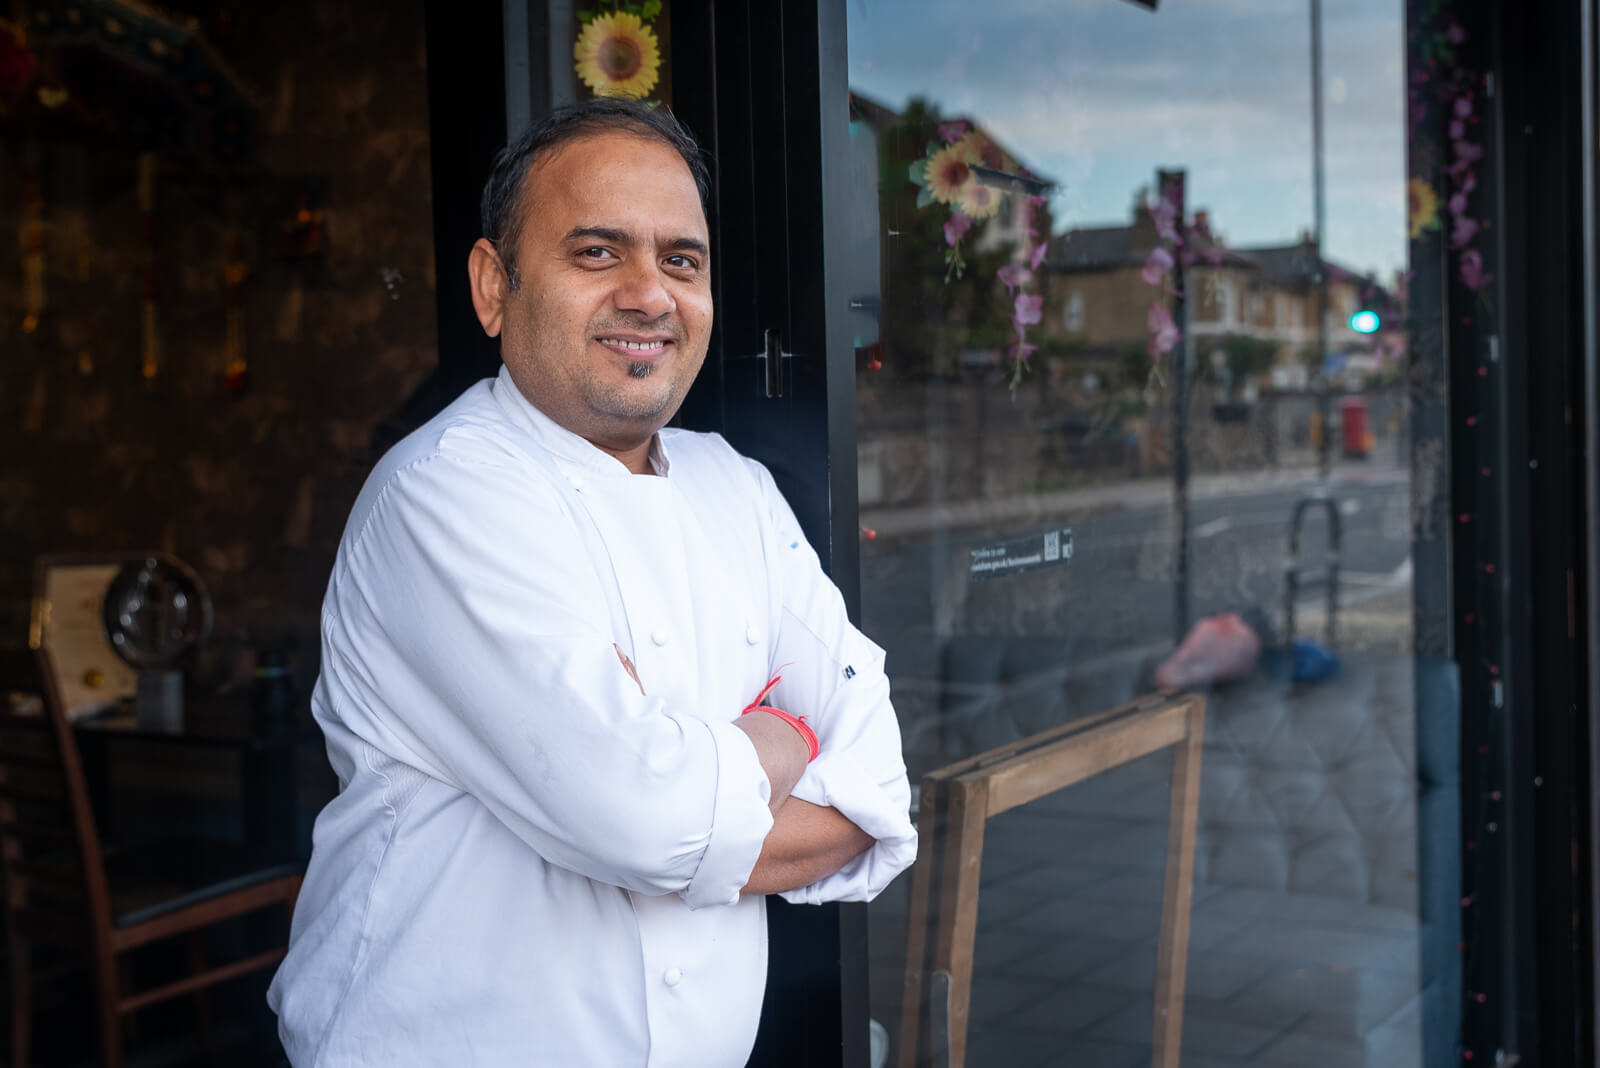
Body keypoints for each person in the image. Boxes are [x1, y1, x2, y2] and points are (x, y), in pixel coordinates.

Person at [267, 98, 916, 1066]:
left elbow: (870, 796)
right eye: (597, 252)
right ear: (494, 288)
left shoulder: (731, 484)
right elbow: (644, 820)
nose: (649, 294)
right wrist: (784, 732)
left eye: (681, 260)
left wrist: (685, 770)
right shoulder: (445, 492)